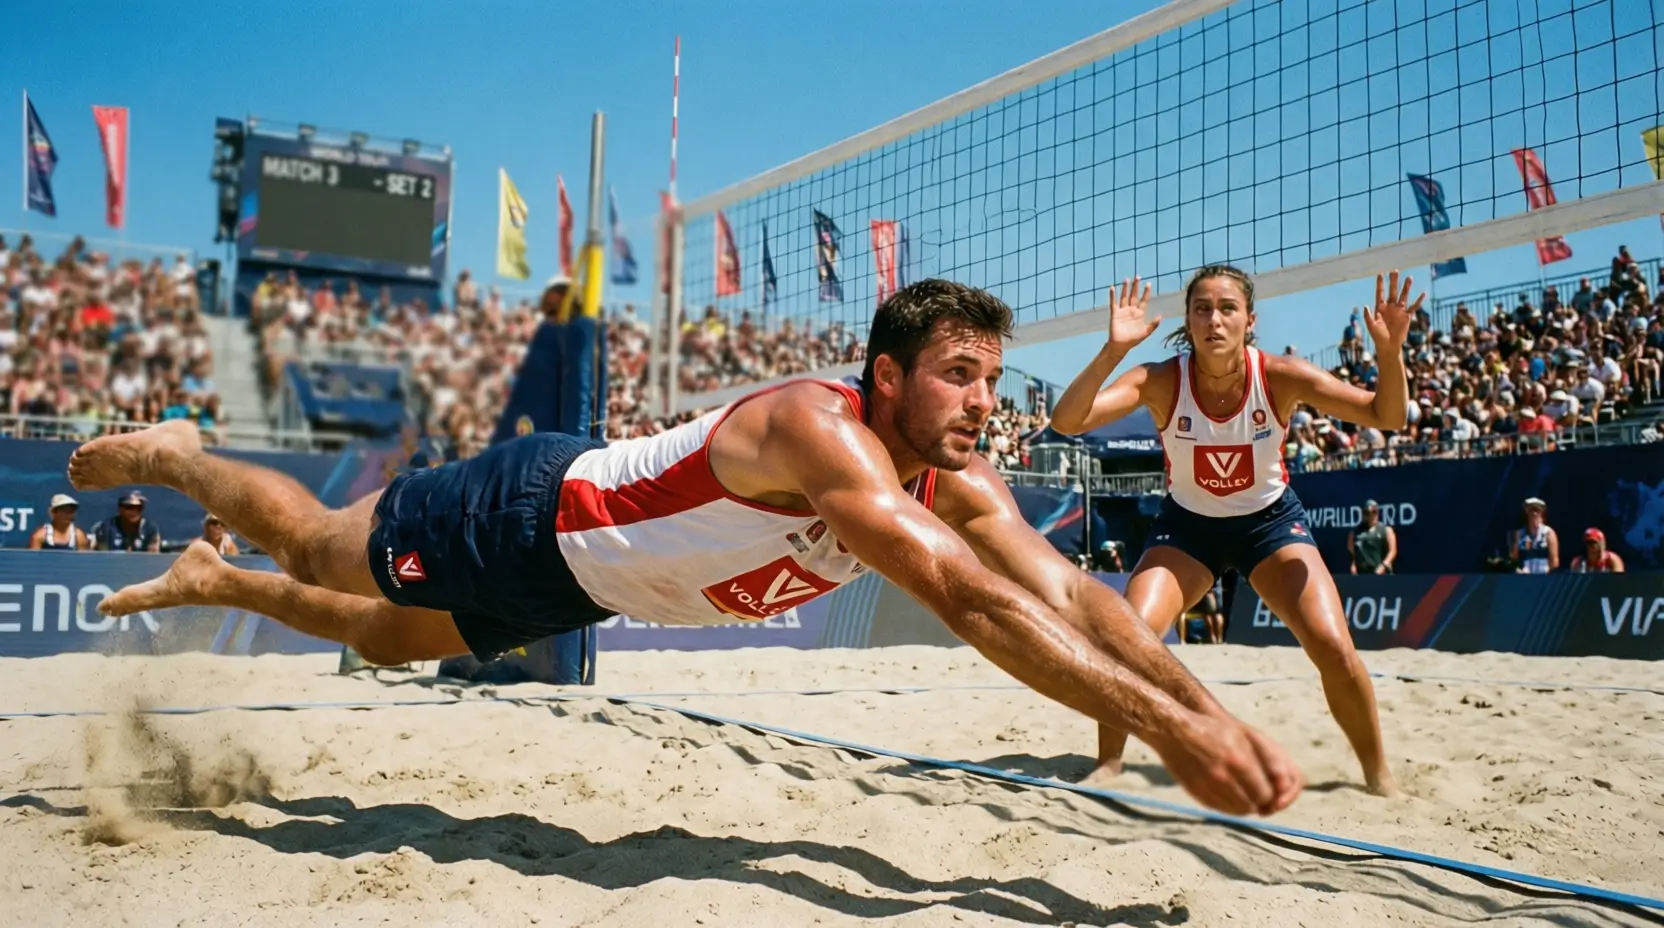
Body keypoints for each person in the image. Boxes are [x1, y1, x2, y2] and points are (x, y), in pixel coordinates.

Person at [71, 279, 1303, 819]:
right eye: (958, 374)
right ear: (886, 376)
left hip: (575, 583)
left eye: (993, 375)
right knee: (321, 545)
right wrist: (1173, 733)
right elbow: (969, 605)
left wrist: (1199, 706)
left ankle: (214, 578)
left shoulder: (951, 473)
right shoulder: (817, 433)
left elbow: (1070, 597)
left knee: (392, 646)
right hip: (530, 509)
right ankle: (182, 450)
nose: (985, 400)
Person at [1050, 266, 1415, 797]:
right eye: (1202, 308)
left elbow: (1388, 416)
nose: (1213, 319)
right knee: (1125, 637)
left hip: (1268, 525)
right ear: (1188, 320)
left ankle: (1379, 776)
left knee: (1334, 649)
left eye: (1226, 308)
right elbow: (1067, 421)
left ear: (1249, 321)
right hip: (1188, 527)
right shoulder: (1162, 379)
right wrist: (1113, 351)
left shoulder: (1281, 375)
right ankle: (1109, 763)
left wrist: (1389, 354)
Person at [91, 491, 162, 552]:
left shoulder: (149, 529)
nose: (135, 511)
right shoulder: (106, 528)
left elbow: (152, 558)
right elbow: (103, 556)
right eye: (130, 508)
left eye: (139, 508)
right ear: (120, 509)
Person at [1347, 500, 1397, 574]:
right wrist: (1353, 564)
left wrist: (1384, 565)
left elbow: (1392, 551)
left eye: (1374, 512)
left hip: (1381, 573)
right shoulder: (1355, 532)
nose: (1371, 516)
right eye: (1368, 513)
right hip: (1362, 574)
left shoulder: (1386, 530)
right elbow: (1352, 552)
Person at [1509, 498, 1557, 573]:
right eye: (1531, 510)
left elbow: (1554, 560)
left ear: (1542, 512)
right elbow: (1514, 558)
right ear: (1526, 511)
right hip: (1525, 576)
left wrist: (1549, 573)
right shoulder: (1519, 534)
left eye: (1537, 510)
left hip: (1544, 575)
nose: (1534, 513)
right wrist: (1518, 570)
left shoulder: (1548, 533)